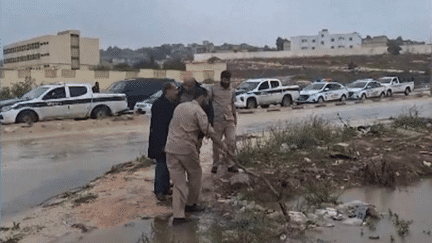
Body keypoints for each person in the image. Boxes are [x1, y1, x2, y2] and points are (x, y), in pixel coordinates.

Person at [165, 92, 227, 226]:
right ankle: (191, 204)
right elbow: (209, 131)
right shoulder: (198, 111)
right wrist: (223, 147)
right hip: (185, 148)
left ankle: (178, 216)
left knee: (178, 183)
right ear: (203, 98)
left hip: (170, 149)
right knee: (196, 174)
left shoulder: (180, 107)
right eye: (207, 100)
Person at [147, 82, 179, 201]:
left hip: (168, 139)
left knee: (167, 165)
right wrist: (162, 144)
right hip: (160, 140)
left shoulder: (171, 103)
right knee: (161, 165)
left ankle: (165, 188)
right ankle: (159, 191)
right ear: (168, 91)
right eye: (175, 89)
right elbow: (159, 127)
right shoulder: (159, 105)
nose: (177, 92)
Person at [210, 70, 238, 174]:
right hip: (217, 120)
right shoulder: (213, 89)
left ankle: (230, 164)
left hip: (229, 119)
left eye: (228, 80)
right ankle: (215, 164)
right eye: (225, 80)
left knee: (231, 141)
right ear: (221, 79)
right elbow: (209, 104)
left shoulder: (232, 89)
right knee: (216, 143)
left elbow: (233, 104)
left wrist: (235, 117)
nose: (226, 82)